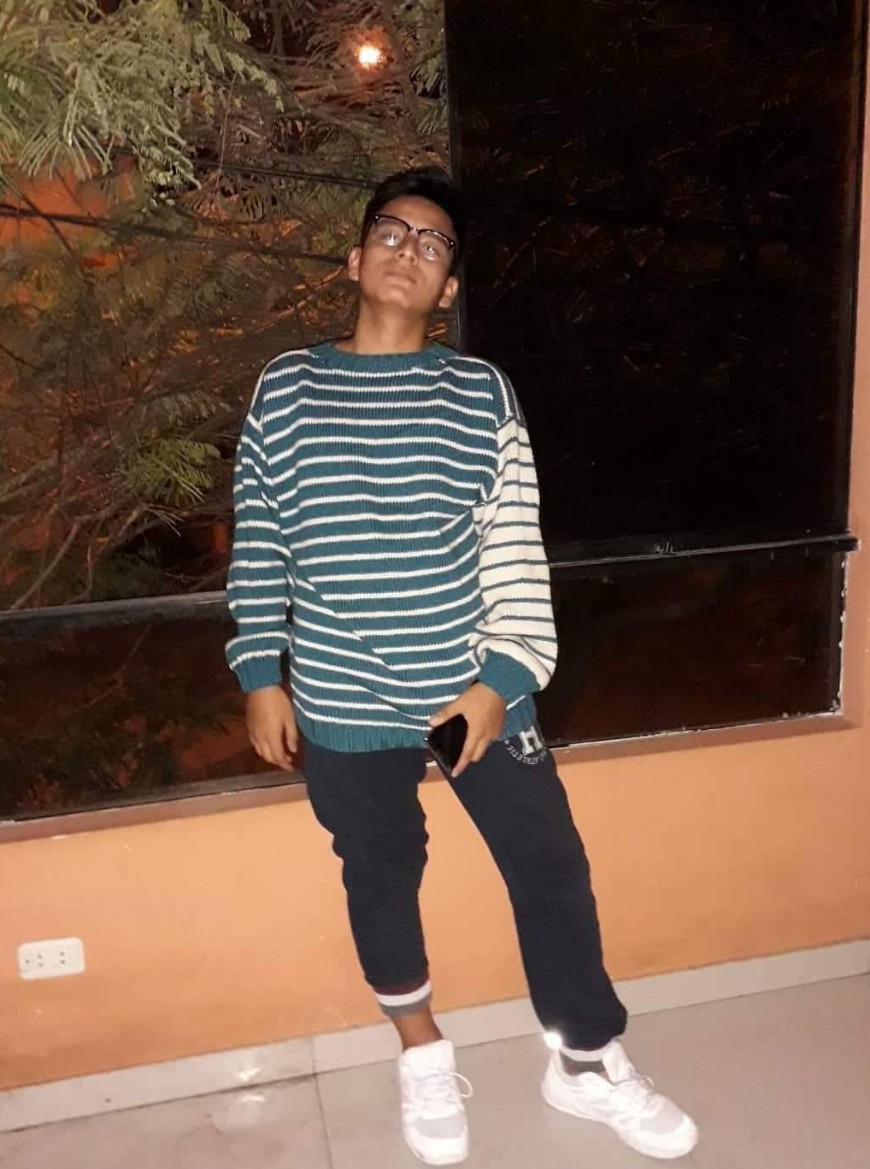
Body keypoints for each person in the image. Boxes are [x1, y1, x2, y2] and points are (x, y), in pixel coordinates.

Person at [225, 166, 699, 1165]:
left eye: (433, 242)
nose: (409, 249)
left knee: (550, 864)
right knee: (381, 872)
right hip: (343, 697)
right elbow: (261, 539)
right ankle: (421, 1050)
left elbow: (514, 548)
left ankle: (583, 1058)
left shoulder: (478, 392)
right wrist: (260, 670)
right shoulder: (288, 387)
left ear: (447, 288)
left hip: (467, 691)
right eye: (391, 232)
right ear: (355, 259)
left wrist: (498, 684)